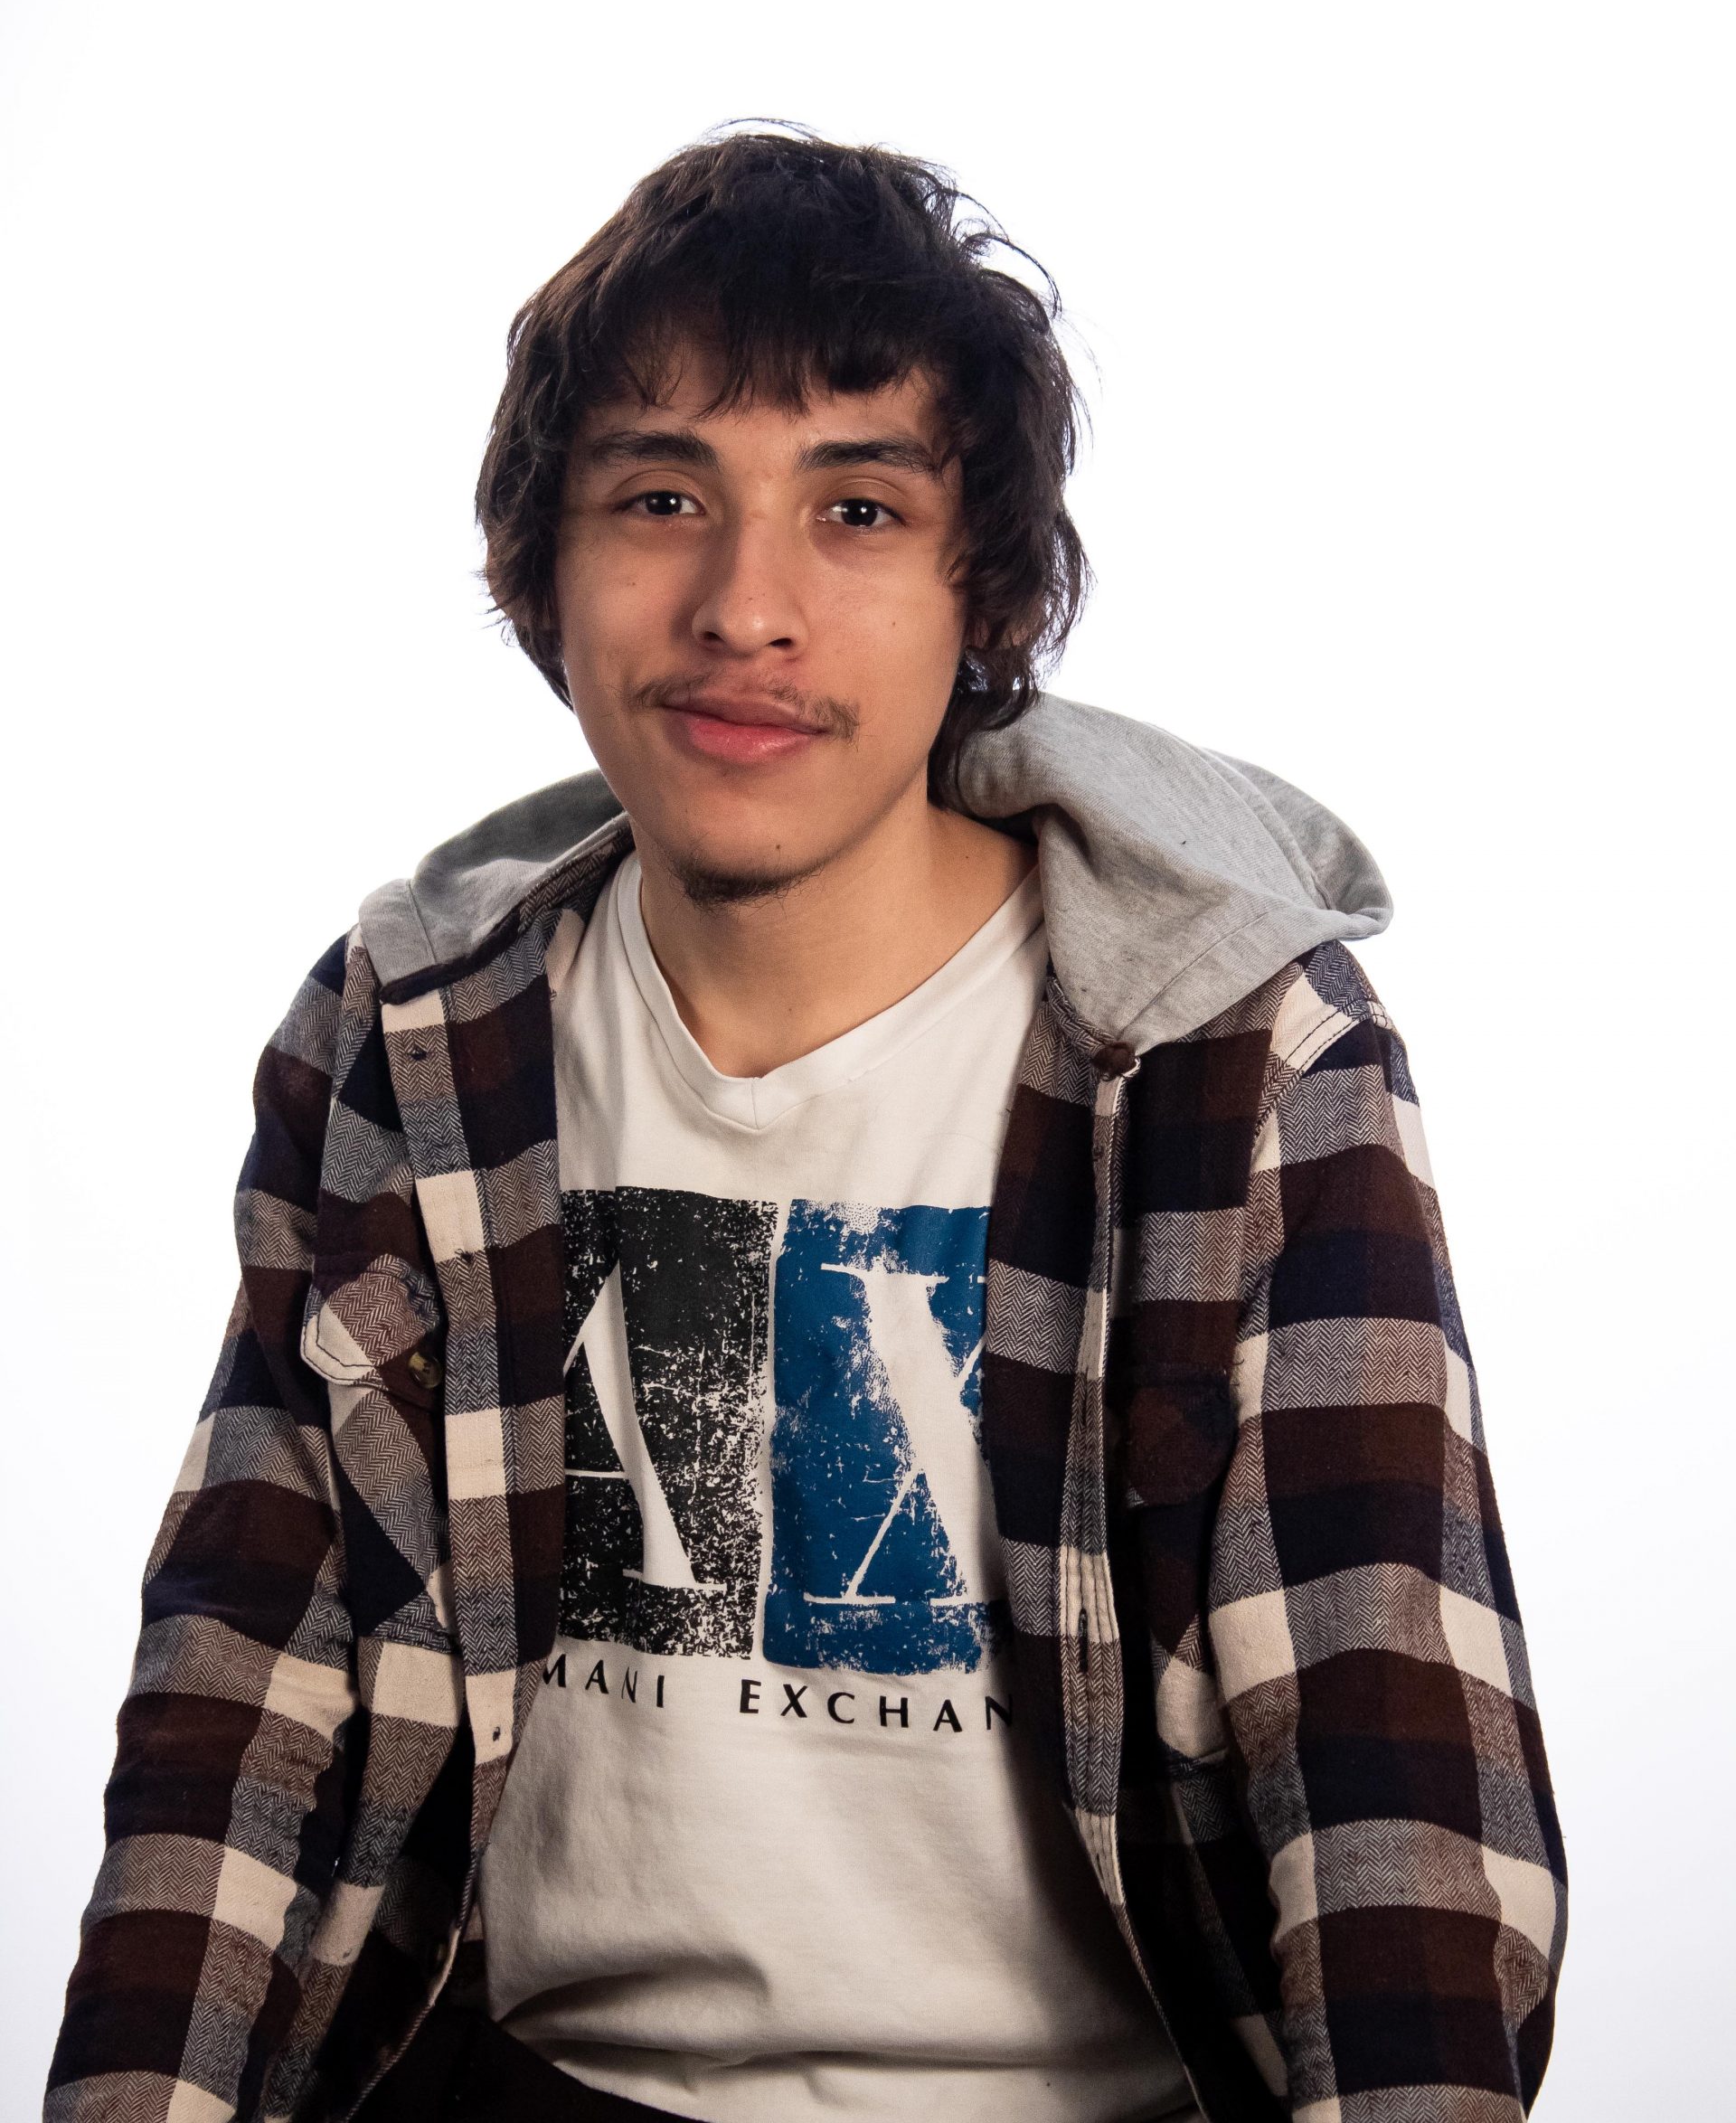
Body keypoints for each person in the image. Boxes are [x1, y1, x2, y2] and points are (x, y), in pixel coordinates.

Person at [46, 128, 1565, 2123]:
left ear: (980, 589)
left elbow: (1390, 1766)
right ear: (546, 566)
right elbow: (248, 1682)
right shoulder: (415, 1040)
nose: (743, 605)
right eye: (660, 496)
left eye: (857, 508)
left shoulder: (1234, 1054)